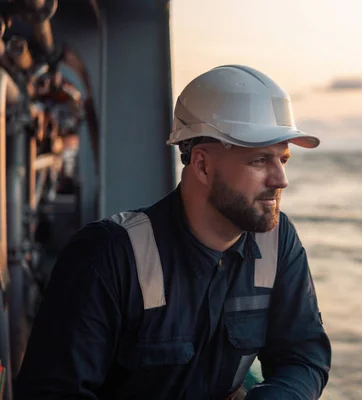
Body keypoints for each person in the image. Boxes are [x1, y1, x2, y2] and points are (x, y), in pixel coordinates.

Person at [14, 65, 332, 399]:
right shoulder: (107, 257)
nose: (280, 179)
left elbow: (303, 357)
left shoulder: (278, 243)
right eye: (259, 161)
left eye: (283, 160)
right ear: (202, 165)